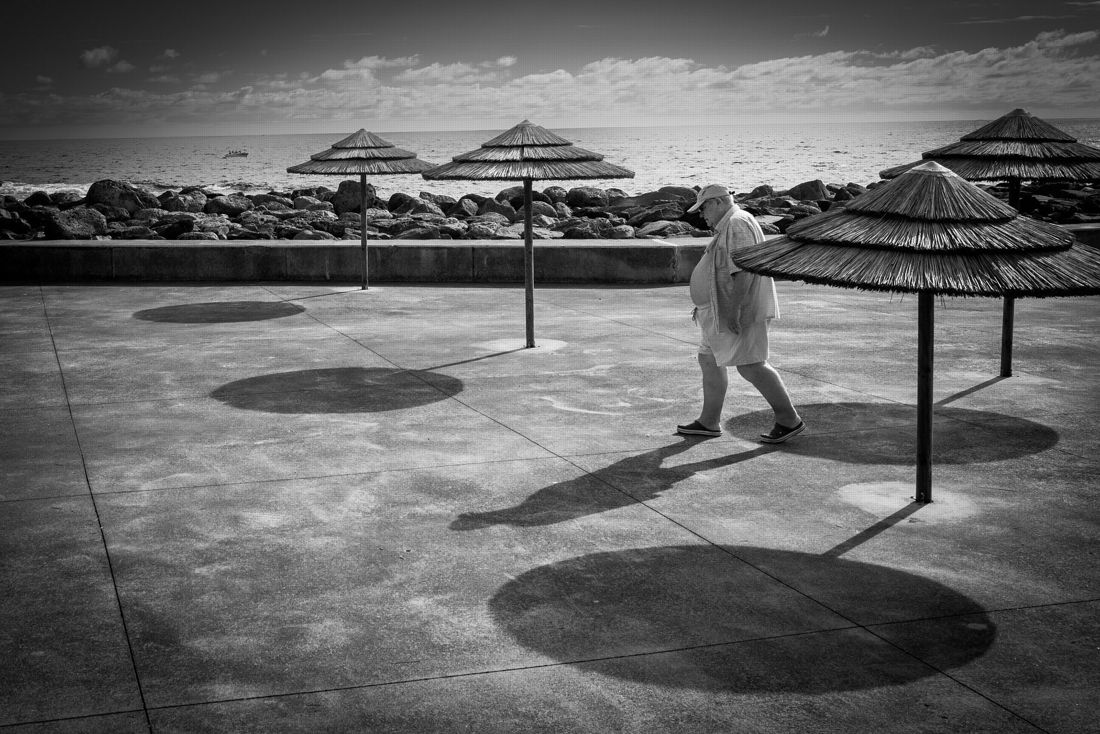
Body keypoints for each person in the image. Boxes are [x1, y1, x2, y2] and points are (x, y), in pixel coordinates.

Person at [676, 184, 805, 443]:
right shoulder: (731, 224)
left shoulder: (736, 223)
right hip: (718, 311)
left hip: (738, 311)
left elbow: (744, 270)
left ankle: (789, 419)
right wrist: (704, 302)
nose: (702, 215)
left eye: (703, 208)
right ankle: (709, 421)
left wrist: (734, 310)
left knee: (751, 365)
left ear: (718, 202)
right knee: (709, 359)